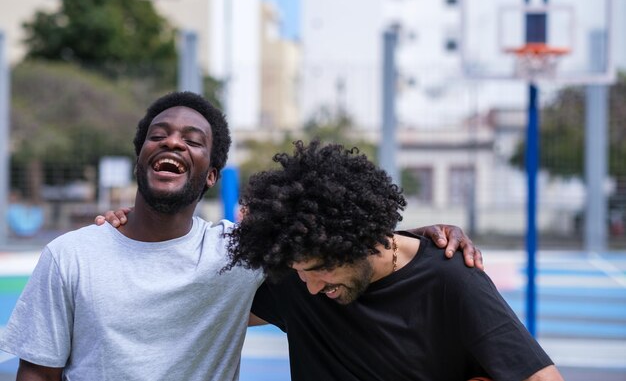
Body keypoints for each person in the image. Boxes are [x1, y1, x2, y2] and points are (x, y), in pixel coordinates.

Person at [0, 91, 481, 381]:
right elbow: (39, 371)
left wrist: (409, 238)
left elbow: (338, 245)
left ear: (210, 175)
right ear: (141, 156)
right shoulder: (70, 256)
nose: (172, 142)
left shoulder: (238, 255)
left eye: (192, 140)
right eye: (159, 134)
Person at [224, 140, 565, 381]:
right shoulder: (298, 278)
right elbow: (207, 310)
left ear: (365, 239)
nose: (311, 287)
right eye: (300, 273)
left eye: (320, 270)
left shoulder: (451, 278)